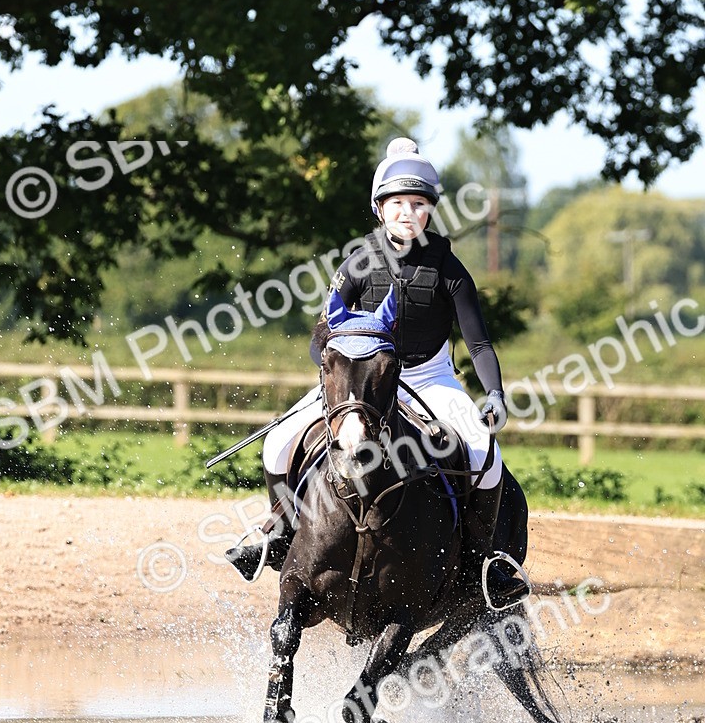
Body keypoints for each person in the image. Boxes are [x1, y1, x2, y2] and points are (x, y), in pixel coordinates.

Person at [226, 137, 528, 608]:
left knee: (483, 450)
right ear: (380, 208)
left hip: (428, 378)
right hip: (361, 381)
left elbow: (479, 344)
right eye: (398, 204)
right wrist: (335, 367)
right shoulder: (357, 263)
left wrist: (494, 394)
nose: (408, 213)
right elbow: (320, 335)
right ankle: (280, 533)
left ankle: (483, 564)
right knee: (278, 442)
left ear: (430, 210)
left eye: (419, 204)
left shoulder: (449, 269)